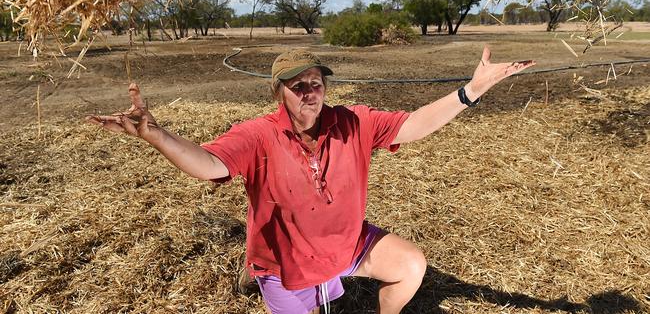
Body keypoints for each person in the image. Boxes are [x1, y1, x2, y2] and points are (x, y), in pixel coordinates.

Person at [87, 47, 535, 314]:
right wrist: (156, 134)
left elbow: (413, 124)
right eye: (297, 85)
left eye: (315, 82)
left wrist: (471, 90)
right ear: (278, 92)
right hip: (288, 264)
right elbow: (210, 165)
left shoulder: (352, 121)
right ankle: (259, 277)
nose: (309, 92)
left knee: (410, 265)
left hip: (345, 244)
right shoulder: (257, 134)